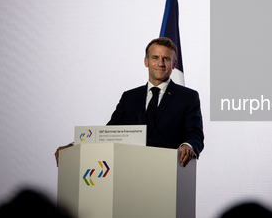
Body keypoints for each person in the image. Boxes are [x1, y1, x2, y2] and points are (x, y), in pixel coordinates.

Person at [55, 37, 204, 168]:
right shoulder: (130, 97)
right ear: (146, 62)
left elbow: (195, 134)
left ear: (174, 63)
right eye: (155, 57)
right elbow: (108, 133)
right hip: (129, 171)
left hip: (169, 171)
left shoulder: (188, 97)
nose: (160, 63)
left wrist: (187, 146)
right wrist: (75, 147)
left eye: (166, 58)